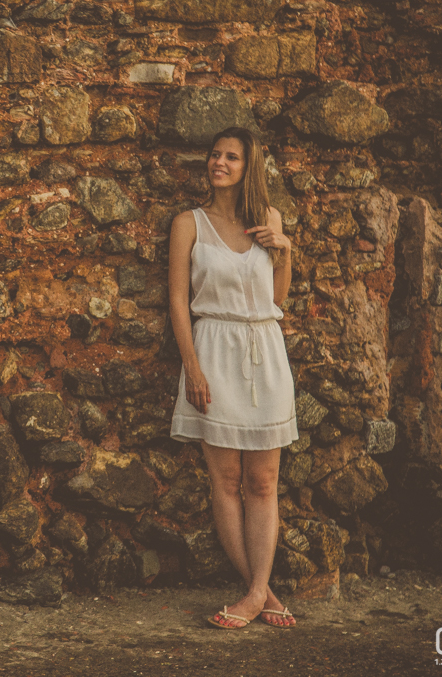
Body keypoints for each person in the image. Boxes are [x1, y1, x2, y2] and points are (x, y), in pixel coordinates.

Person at [167, 127, 299, 630]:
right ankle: (262, 594)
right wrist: (192, 369)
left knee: (263, 481)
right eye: (213, 154)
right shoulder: (189, 223)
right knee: (225, 480)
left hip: (266, 351)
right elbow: (179, 302)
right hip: (213, 352)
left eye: (230, 157)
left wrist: (283, 250)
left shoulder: (268, 219)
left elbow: (277, 299)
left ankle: (254, 594)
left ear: (249, 167)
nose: (218, 163)